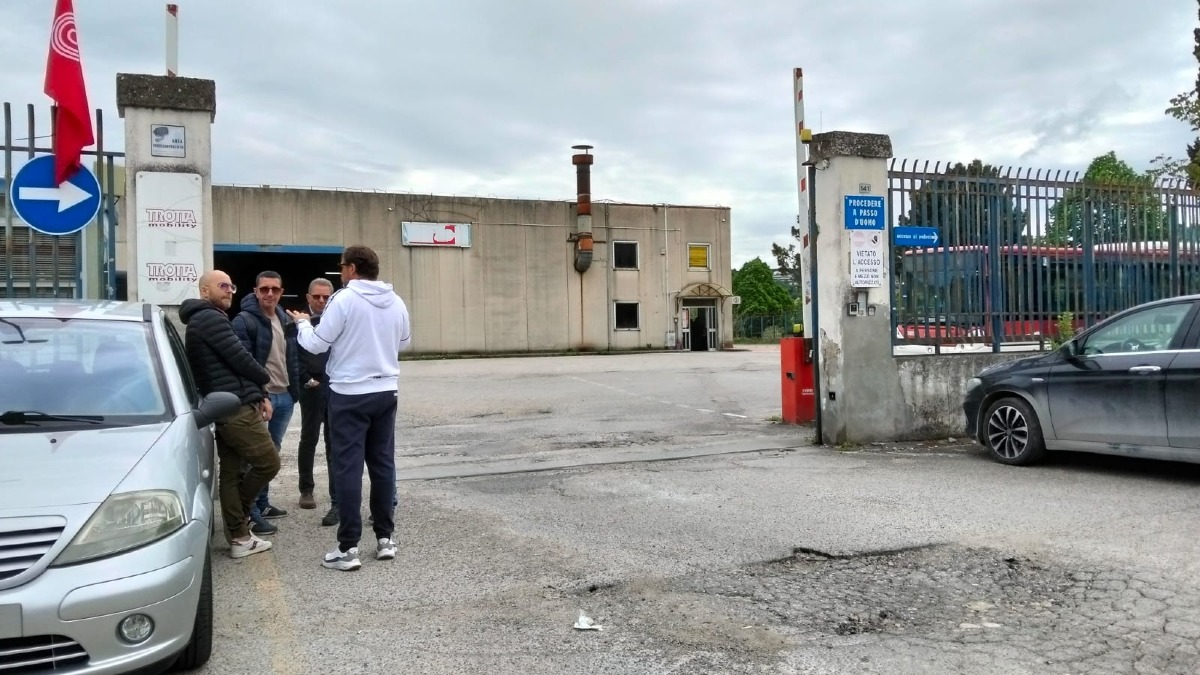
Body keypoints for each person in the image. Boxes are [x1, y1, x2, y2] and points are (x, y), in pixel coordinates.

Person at [289, 245, 412, 572]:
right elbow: (405, 343)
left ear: (353, 269)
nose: (340, 272)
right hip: (386, 391)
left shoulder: (344, 299)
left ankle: (348, 547)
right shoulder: (396, 301)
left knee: (347, 467)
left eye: (342, 267)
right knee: (383, 464)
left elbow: (316, 343)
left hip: (349, 393)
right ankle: (385, 539)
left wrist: (302, 324)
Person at [180, 270, 278, 559]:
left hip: (226, 403)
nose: (229, 291)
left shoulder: (205, 318)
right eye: (222, 286)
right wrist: (264, 380)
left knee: (232, 472)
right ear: (204, 291)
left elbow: (232, 363)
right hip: (234, 409)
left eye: (232, 286)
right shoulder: (209, 318)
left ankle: (239, 538)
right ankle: (238, 523)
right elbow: (240, 358)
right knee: (268, 463)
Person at [232, 270, 301, 536]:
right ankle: (251, 513)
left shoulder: (285, 319)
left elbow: (294, 357)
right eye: (264, 289)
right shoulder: (245, 321)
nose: (269, 294)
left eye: (275, 289)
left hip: (284, 395)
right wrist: (259, 395)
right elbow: (244, 364)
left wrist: (294, 391)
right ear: (255, 291)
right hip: (264, 398)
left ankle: (263, 503)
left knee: (271, 453)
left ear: (281, 292)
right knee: (256, 458)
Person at [295, 277, 338, 521]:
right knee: (308, 438)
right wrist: (306, 379)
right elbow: (293, 353)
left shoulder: (337, 319)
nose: (321, 301)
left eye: (326, 297)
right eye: (317, 296)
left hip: (334, 388)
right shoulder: (300, 322)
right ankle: (306, 490)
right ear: (308, 297)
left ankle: (336, 497)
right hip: (310, 387)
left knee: (334, 443)